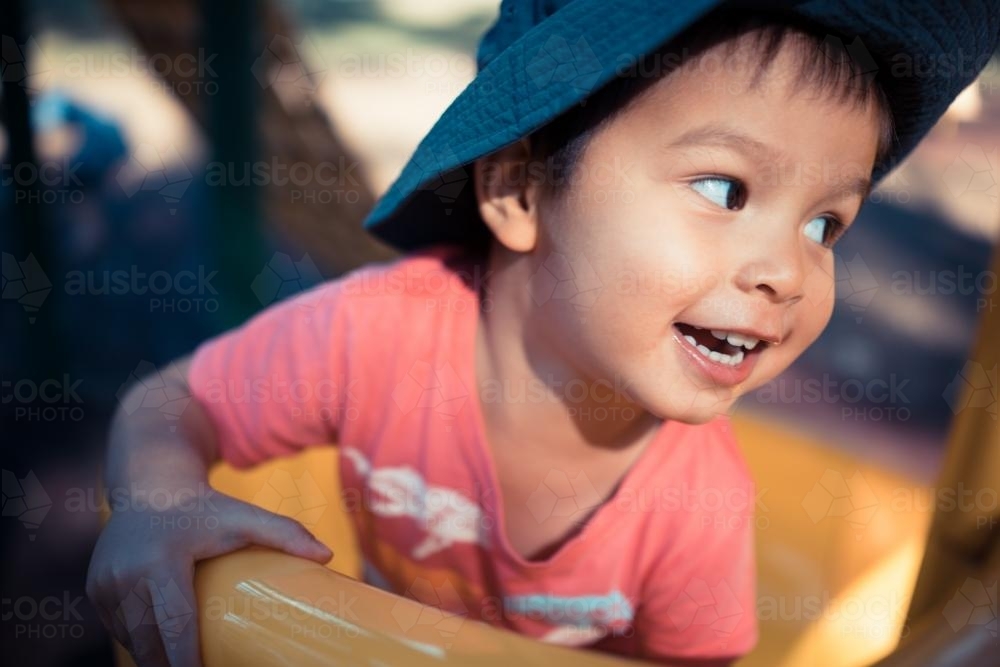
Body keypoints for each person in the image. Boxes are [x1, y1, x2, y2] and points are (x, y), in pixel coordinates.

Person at [86, 1, 1000, 665]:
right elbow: (176, 401)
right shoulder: (376, 336)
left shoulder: (699, 508)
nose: (788, 270)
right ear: (520, 191)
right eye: (727, 189)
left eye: (824, 225)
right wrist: (160, 496)